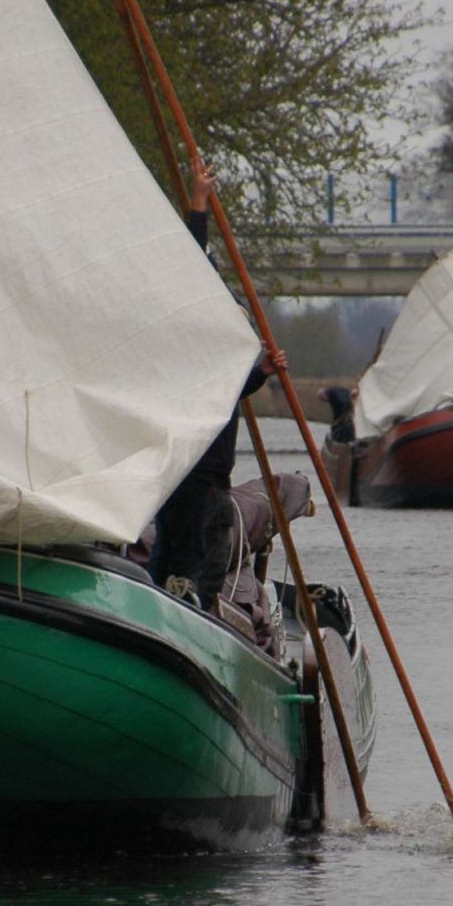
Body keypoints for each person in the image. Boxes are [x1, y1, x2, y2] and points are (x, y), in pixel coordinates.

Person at [153, 152, 285, 606]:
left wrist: (261, 374)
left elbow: (229, 390)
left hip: (199, 477)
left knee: (188, 570)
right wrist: (199, 202)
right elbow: (195, 271)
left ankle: (188, 613)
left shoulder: (218, 366)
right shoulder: (197, 340)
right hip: (194, 477)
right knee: (185, 570)